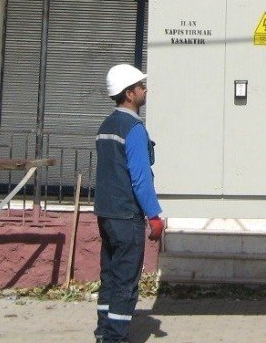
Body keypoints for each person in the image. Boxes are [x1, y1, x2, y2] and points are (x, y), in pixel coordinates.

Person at [94, 64, 164, 343]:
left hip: (106, 213)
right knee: (125, 282)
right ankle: (115, 337)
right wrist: (155, 215)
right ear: (129, 94)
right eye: (141, 86)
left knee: (109, 277)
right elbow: (140, 178)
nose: (145, 89)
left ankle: (103, 332)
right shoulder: (133, 128)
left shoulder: (106, 125)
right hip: (126, 215)